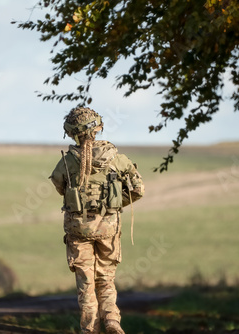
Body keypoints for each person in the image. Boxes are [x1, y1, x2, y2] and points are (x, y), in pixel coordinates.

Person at [50, 107, 145, 334]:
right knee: (106, 280)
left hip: (78, 230)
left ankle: (89, 329)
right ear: (97, 128)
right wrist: (112, 203)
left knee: (86, 284)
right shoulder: (117, 159)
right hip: (108, 230)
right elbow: (138, 189)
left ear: (71, 133)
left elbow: (59, 186)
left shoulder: (67, 162)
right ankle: (112, 321)